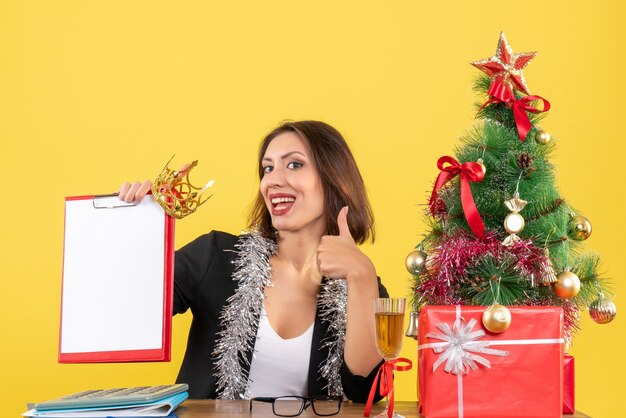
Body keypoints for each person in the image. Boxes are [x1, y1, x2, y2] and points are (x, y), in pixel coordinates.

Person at [119, 120, 387, 402]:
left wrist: (362, 275)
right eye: (268, 168)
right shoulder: (216, 255)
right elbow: (133, 307)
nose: (272, 180)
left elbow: (365, 391)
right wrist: (136, 225)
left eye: (294, 164)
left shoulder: (364, 286)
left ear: (337, 180)